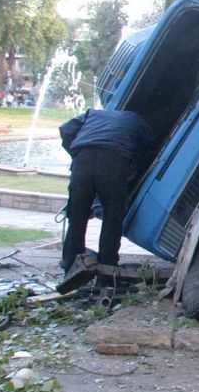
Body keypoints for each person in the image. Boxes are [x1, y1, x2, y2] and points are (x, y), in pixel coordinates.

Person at [57, 109, 154, 293]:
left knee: (77, 218)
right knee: (112, 220)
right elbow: (148, 147)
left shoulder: (90, 114)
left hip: (82, 161)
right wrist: (134, 167)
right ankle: (106, 276)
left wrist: (75, 153)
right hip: (114, 162)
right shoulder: (136, 119)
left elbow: (66, 130)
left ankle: (70, 269)